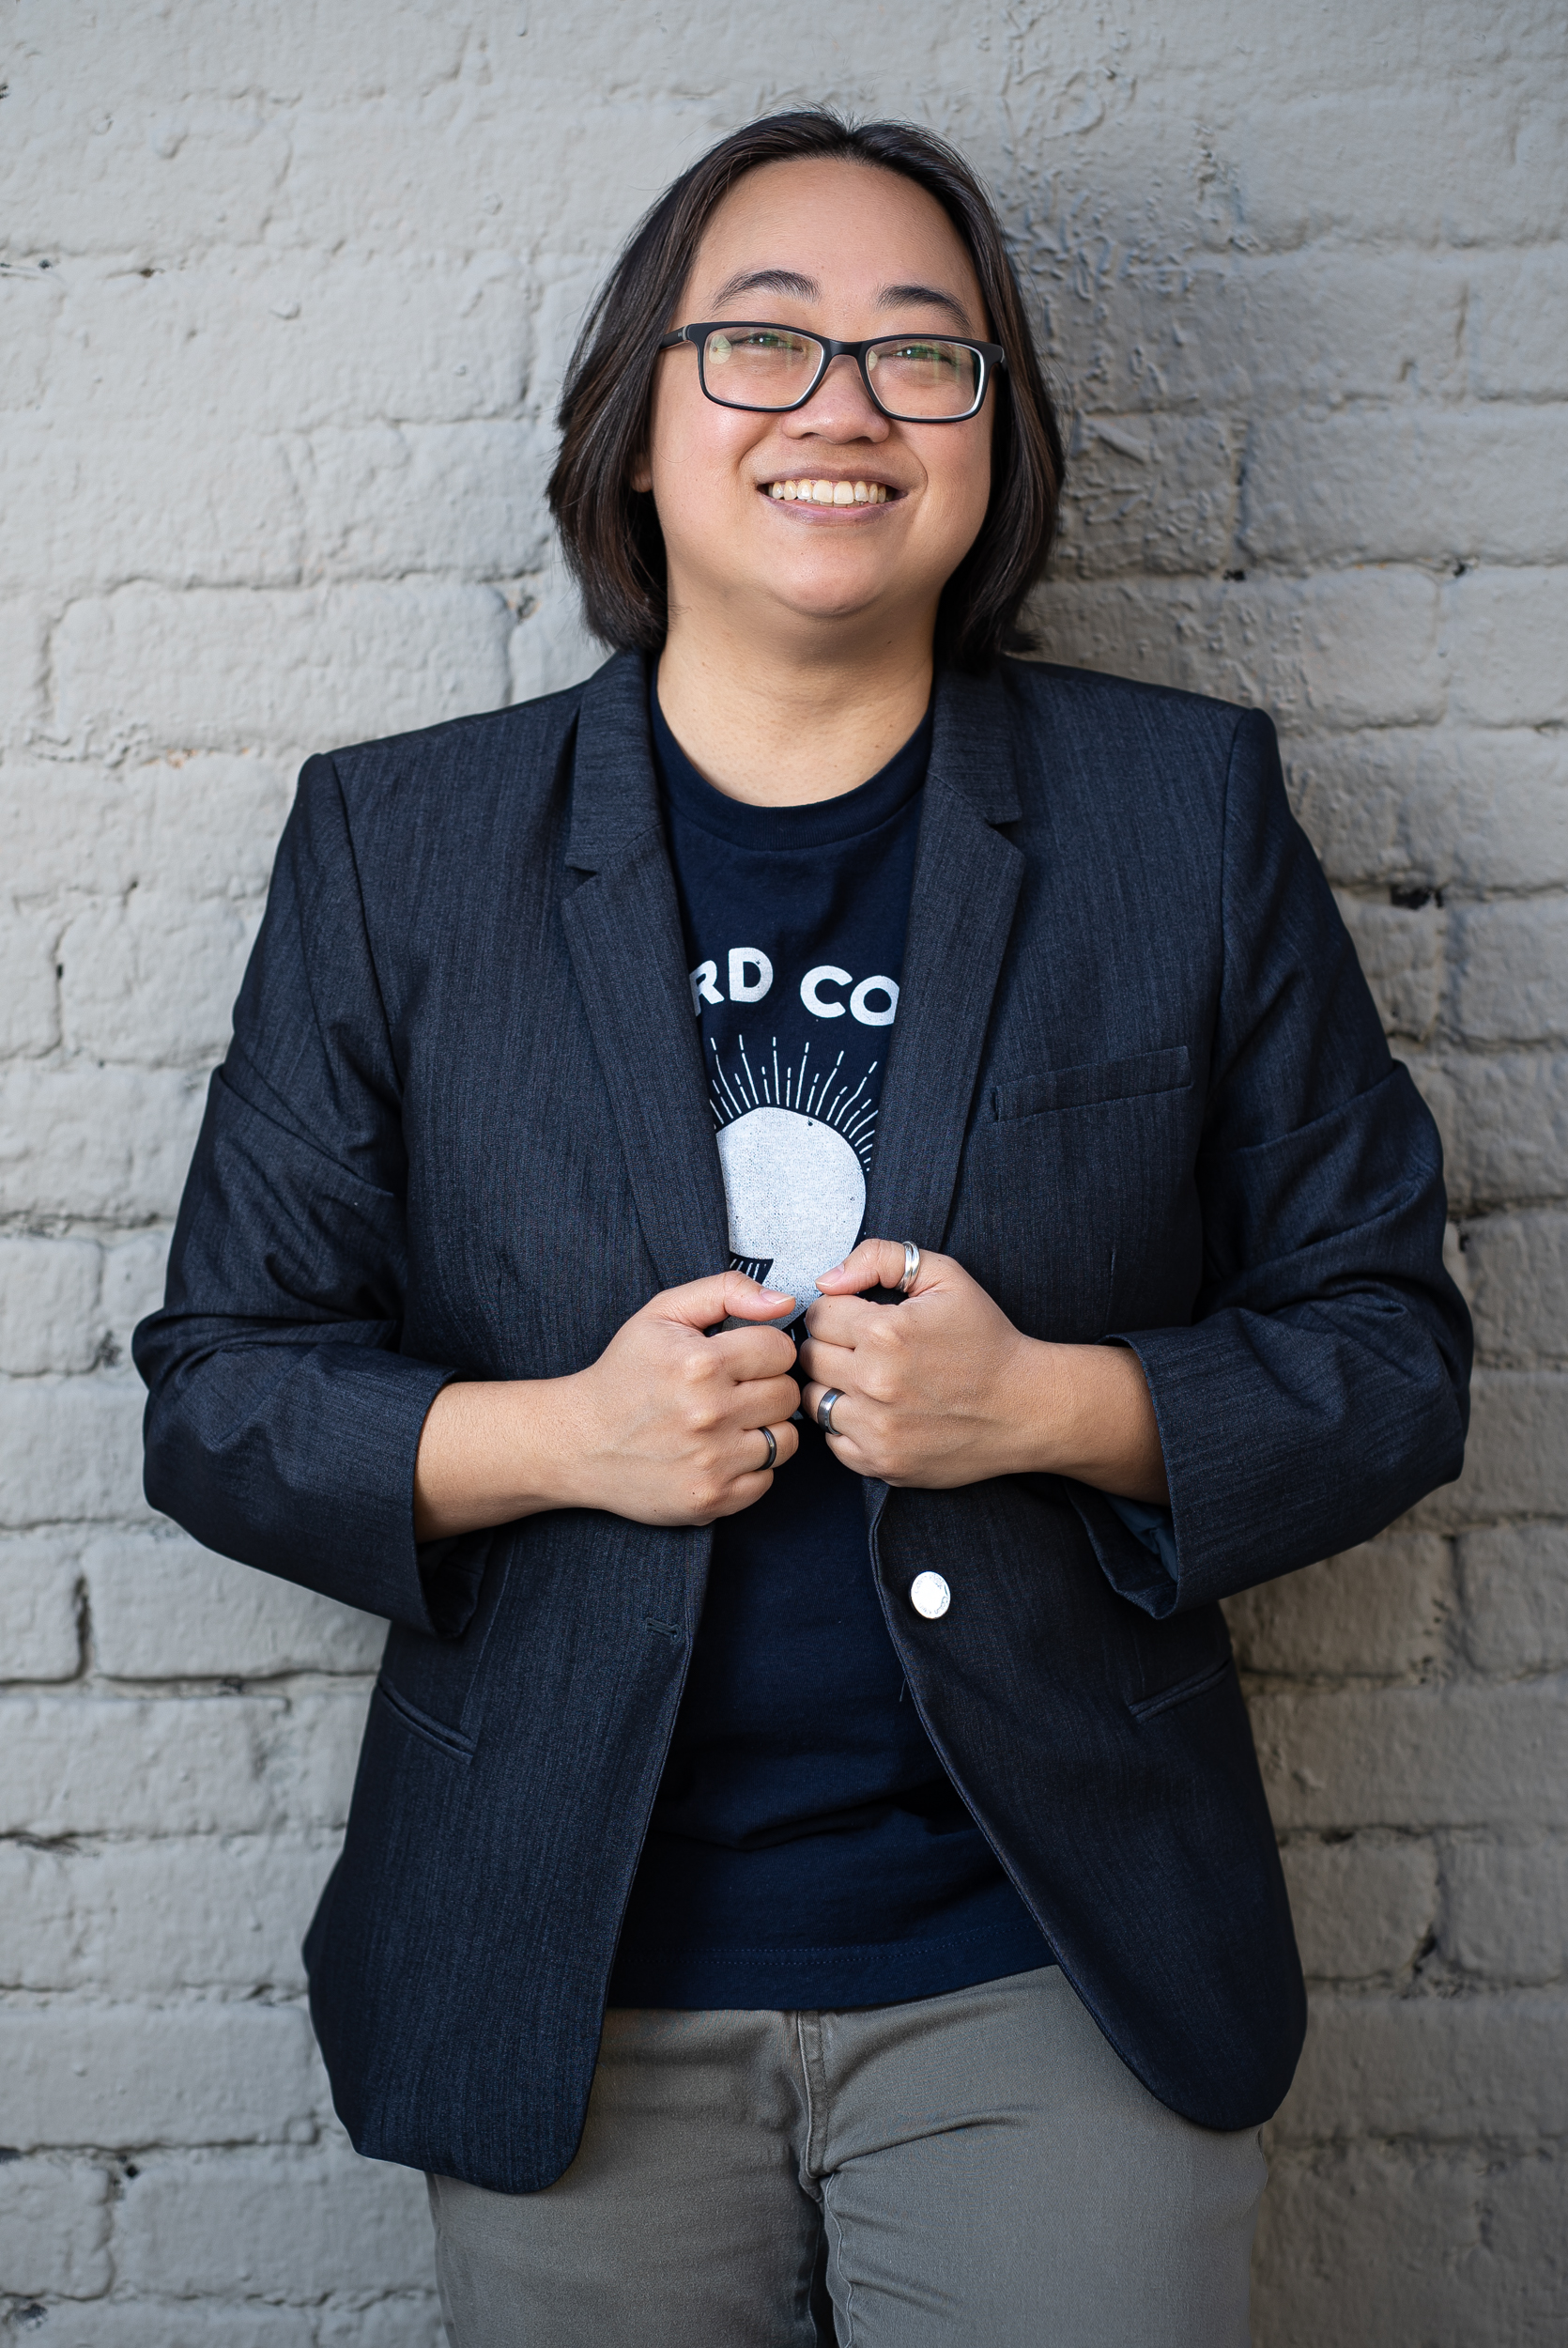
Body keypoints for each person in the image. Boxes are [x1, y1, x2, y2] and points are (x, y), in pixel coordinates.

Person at [135, 109, 1471, 2347]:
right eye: (759, 343)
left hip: (1048, 1964)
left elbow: (1385, 1347)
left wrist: (1055, 1400)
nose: (840, 405)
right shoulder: (400, 848)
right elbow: (226, 1392)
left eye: (918, 354)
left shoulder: (1179, 810)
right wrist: (564, 1436)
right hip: (572, 1981)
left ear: (993, 436)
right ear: (635, 430)